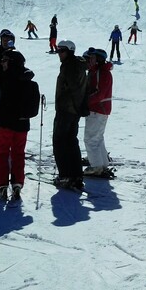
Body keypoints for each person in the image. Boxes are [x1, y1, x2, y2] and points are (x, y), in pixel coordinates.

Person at [0, 50, 37, 202]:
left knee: (1, 154)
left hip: (7, 124)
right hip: (22, 125)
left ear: (12, 62)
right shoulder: (27, 79)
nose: (2, 63)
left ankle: (1, 186)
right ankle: (17, 184)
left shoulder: (8, 79)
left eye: (5, 60)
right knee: (18, 154)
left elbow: (4, 105)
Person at [52, 40, 88, 190]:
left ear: (70, 51)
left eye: (62, 51)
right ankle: (75, 175)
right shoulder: (77, 65)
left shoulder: (70, 66)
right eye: (58, 51)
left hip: (67, 110)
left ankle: (66, 176)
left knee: (60, 142)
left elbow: (74, 89)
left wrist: (75, 106)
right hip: (73, 111)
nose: (59, 54)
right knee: (71, 142)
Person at [83, 49, 113, 177]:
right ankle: (102, 164)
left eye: (93, 58)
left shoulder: (102, 72)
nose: (90, 60)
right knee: (97, 137)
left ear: (99, 59)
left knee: (90, 139)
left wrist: (85, 102)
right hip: (100, 109)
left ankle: (96, 166)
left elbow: (99, 93)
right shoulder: (98, 71)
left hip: (97, 109)